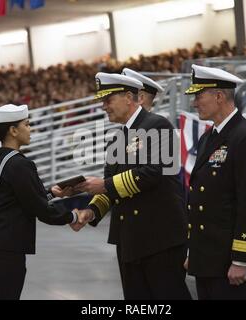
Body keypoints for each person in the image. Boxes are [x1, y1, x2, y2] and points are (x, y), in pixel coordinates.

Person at [72, 73, 191, 300]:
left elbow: (152, 173)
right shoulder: (117, 136)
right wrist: (91, 211)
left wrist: (104, 184)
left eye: (108, 100)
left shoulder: (158, 125)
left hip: (159, 237)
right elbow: (110, 186)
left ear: (129, 97)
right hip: (129, 238)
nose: (104, 106)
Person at [0, 104, 81, 300]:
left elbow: (16, 200)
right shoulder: (20, 164)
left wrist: (51, 193)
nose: (31, 129)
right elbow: (41, 210)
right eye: (27, 124)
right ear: (13, 131)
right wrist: (73, 216)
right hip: (5, 251)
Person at [183, 65, 246, 300]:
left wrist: (241, 260)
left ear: (219, 96)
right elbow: (201, 200)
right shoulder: (208, 137)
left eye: (199, 96)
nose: (194, 103)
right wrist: (195, 251)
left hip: (230, 263)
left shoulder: (245, 137)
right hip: (208, 260)